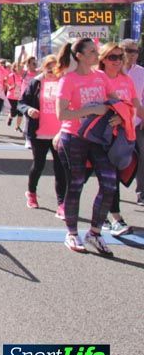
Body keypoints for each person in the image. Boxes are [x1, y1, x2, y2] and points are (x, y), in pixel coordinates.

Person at [55, 38, 117, 255]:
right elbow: (61, 114)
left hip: (98, 138)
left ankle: (95, 233)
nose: (96, 54)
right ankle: (71, 233)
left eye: (96, 51)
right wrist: (90, 110)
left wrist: (117, 115)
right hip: (73, 136)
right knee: (76, 183)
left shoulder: (101, 77)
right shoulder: (68, 80)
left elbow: (114, 101)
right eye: (91, 51)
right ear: (79, 55)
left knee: (109, 182)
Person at [96, 41, 139, 237]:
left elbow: (134, 105)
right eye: (112, 57)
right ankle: (116, 219)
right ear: (103, 59)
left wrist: (124, 115)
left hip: (122, 136)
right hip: (101, 136)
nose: (117, 61)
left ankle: (102, 216)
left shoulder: (126, 80)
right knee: (108, 178)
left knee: (112, 177)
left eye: (119, 57)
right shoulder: (98, 78)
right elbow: (97, 105)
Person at [18, 55, 66, 214]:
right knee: (38, 165)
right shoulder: (36, 83)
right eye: (49, 67)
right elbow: (21, 103)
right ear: (43, 68)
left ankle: (61, 203)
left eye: (55, 67)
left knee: (60, 169)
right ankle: (31, 193)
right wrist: (29, 110)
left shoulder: (64, 83)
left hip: (58, 134)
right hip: (39, 133)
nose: (52, 70)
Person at [119, 38, 144, 205]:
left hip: (137, 122)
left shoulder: (141, 72)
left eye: (136, 51)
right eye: (130, 50)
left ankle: (141, 193)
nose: (134, 54)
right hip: (117, 123)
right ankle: (111, 193)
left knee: (142, 156)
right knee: (115, 159)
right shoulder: (113, 71)